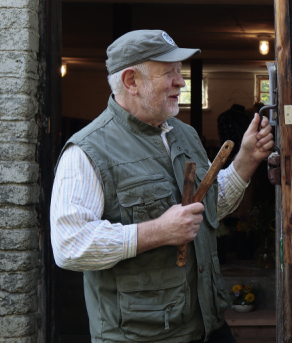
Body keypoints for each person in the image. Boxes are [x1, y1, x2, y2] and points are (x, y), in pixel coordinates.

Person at [50, 30, 274, 343]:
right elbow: (69, 245)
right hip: (142, 336)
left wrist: (247, 159)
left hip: (209, 327)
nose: (180, 81)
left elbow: (205, 210)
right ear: (131, 82)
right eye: (168, 72)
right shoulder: (87, 151)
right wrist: (157, 231)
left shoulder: (185, 135)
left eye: (178, 72)